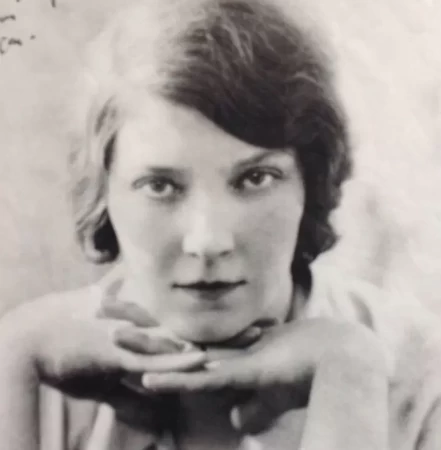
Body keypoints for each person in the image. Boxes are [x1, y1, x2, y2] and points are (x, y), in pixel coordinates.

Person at [1, 0, 441, 449]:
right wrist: (14, 359)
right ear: (104, 193)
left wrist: (348, 379)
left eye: (255, 179)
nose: (208, 241)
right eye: (160, 186)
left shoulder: (422, 375)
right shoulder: (33, 372)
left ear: (310, 184)